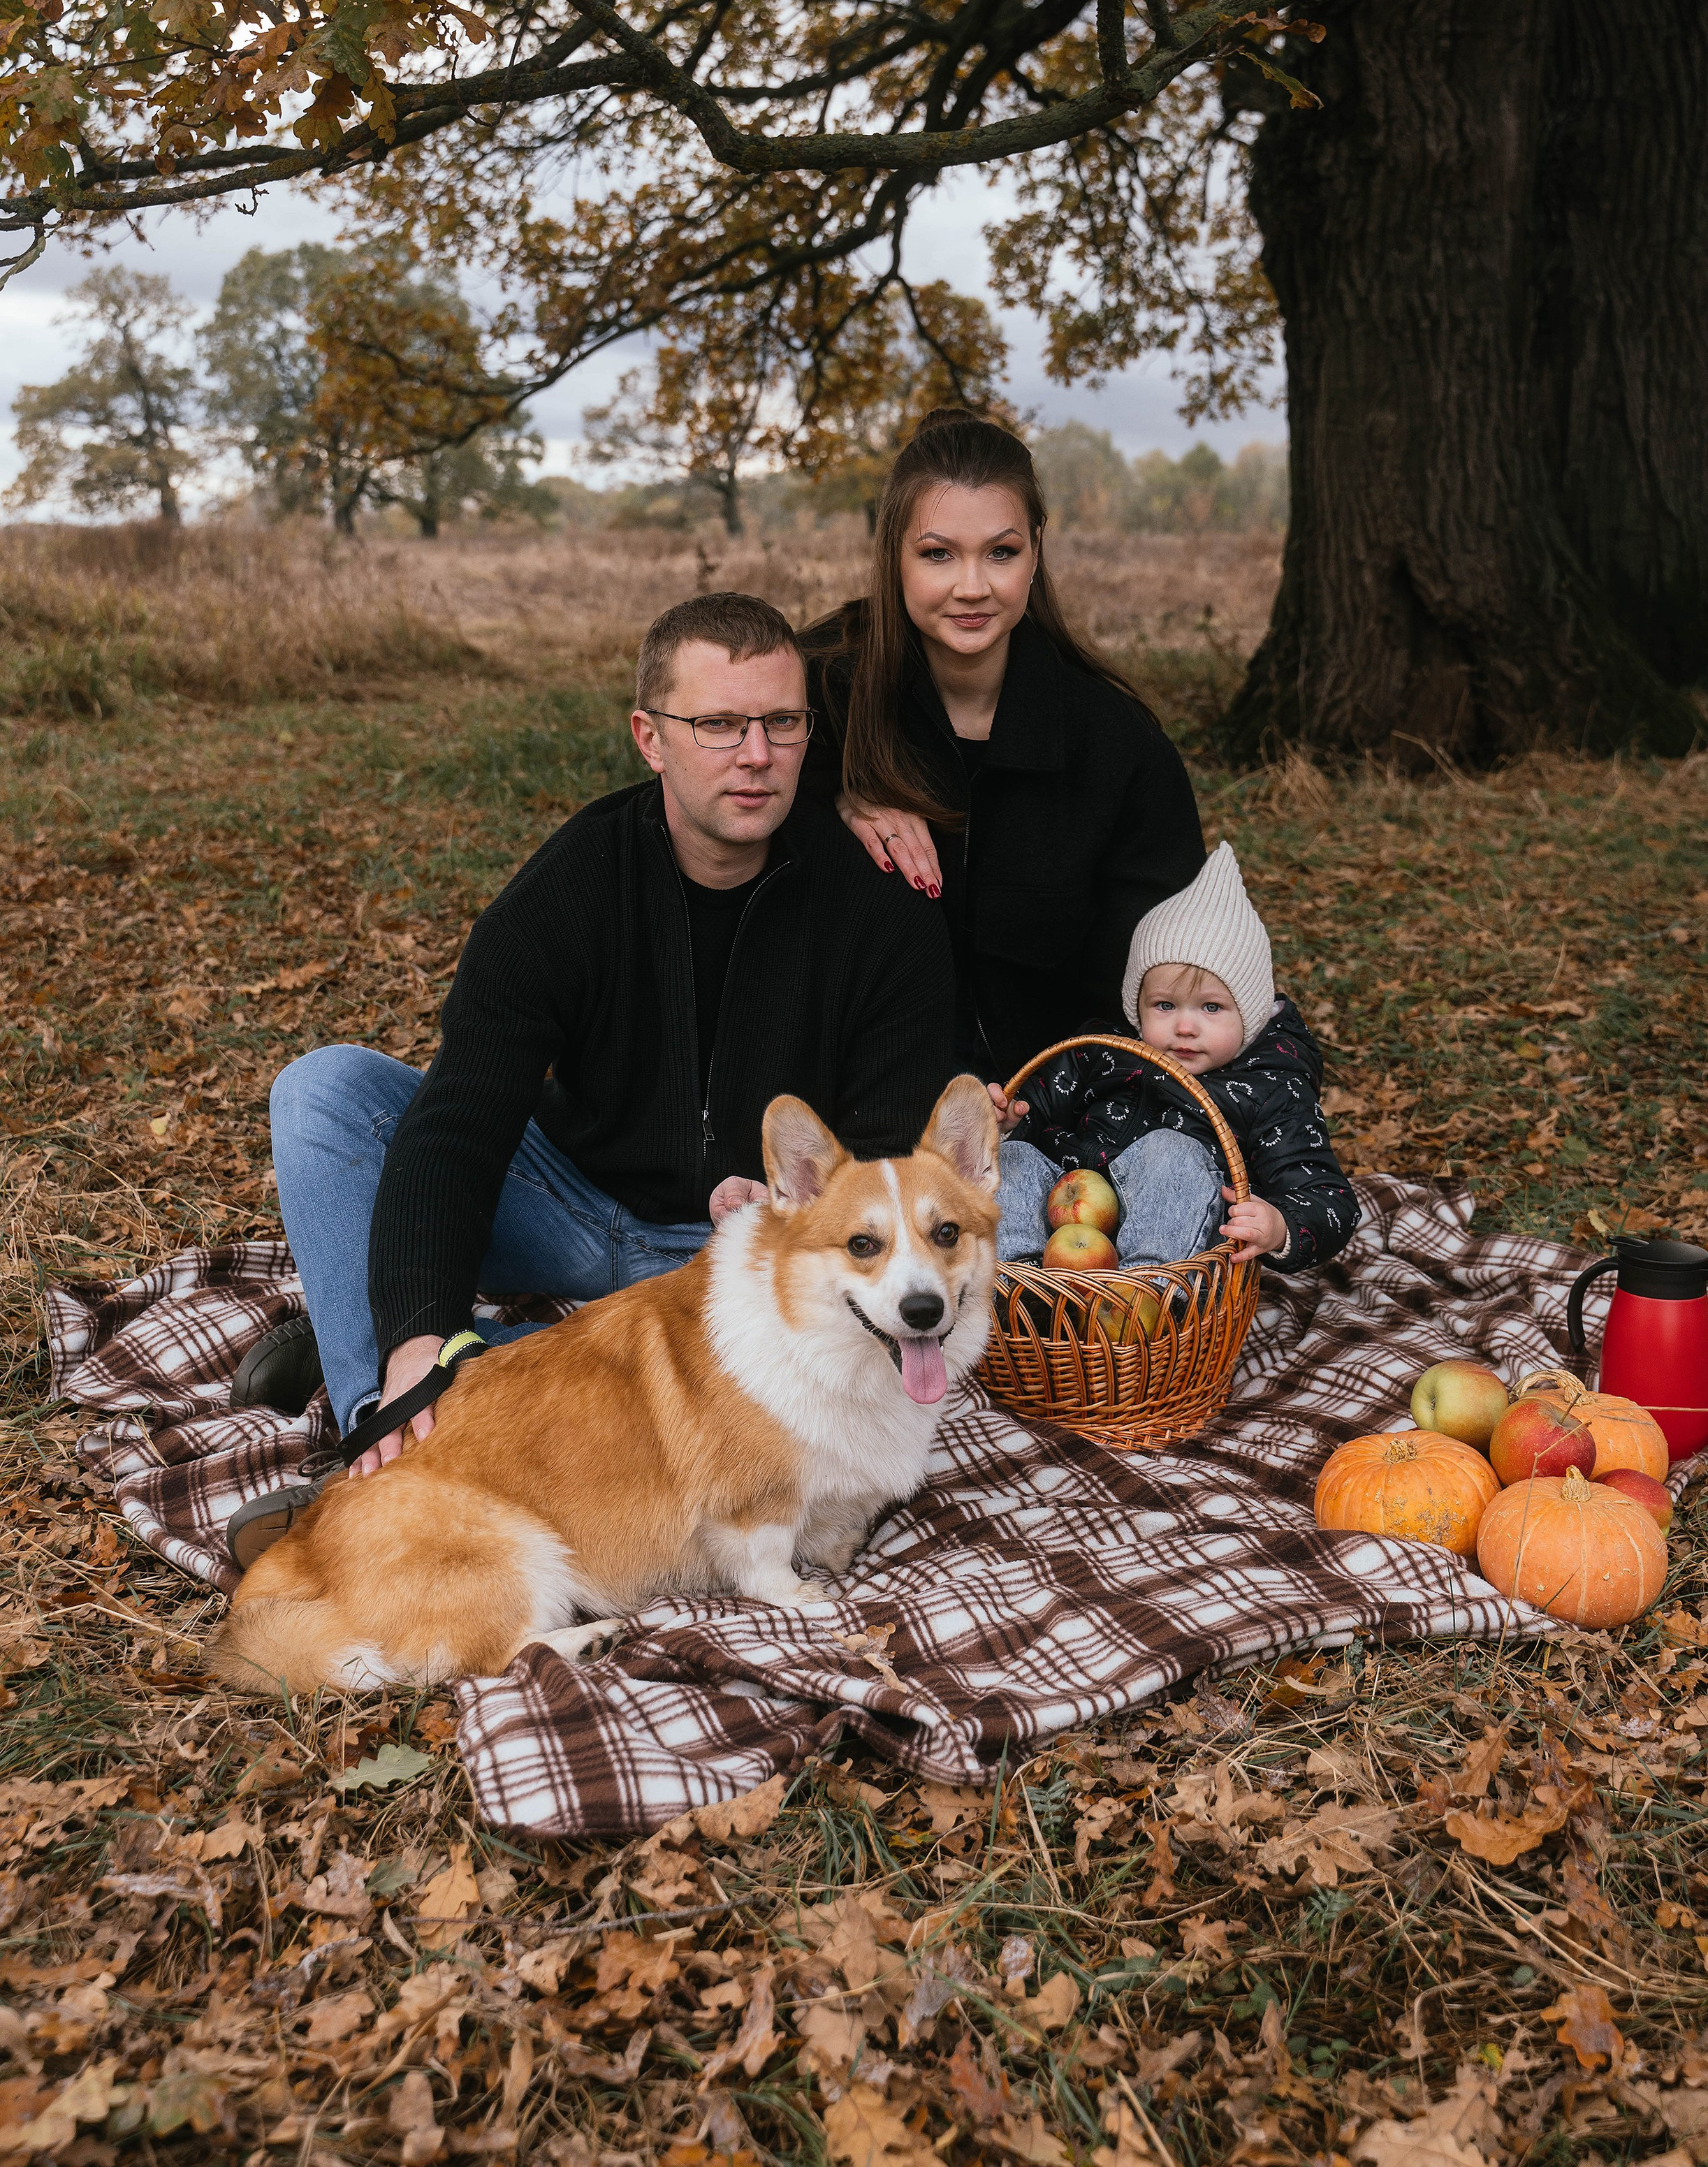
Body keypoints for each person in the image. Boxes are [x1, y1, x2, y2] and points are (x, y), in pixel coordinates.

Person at [227, 592, 956, 1563]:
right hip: (566, 1202)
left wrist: (782, 1218)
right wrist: (417, 1324)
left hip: (734, 1257)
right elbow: (464, 1115)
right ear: (650, 738)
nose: (755, 754)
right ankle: (389, 1428)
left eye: (781, 723)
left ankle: (462, 1356)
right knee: (324, 1093)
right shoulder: (576, 883)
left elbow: (890, 1150)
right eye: (719, 725)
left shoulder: (875, 905)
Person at [801, 412, 1204, 1093]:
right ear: (892, 553)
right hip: (852, 1103)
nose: (971, 587)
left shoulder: (1118, 745)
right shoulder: (813, 691)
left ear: (1036, 551)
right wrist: (830, 799)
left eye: (1000, 552)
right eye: (937, 554)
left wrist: (1053, 1098)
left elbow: (1162, 979)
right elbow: (709, 823)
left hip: (1056, 1114)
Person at [995, 842, 1359, 1273]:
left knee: (1172, 1152)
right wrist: (1010, 1123)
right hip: (1070, 1224)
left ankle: (1144, 1292)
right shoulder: (1102, 1053)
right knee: (1010, 1160)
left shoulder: (1271, 1088)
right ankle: (1017, 1284)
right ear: (1138, 1006)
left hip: (1179, 1240)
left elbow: (1326, 1194)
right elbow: (1039, 1113)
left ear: (1251, 1013)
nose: (1185, 1027)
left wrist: (1282, 1226)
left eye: (1211, 1008)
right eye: (1165, 1006)